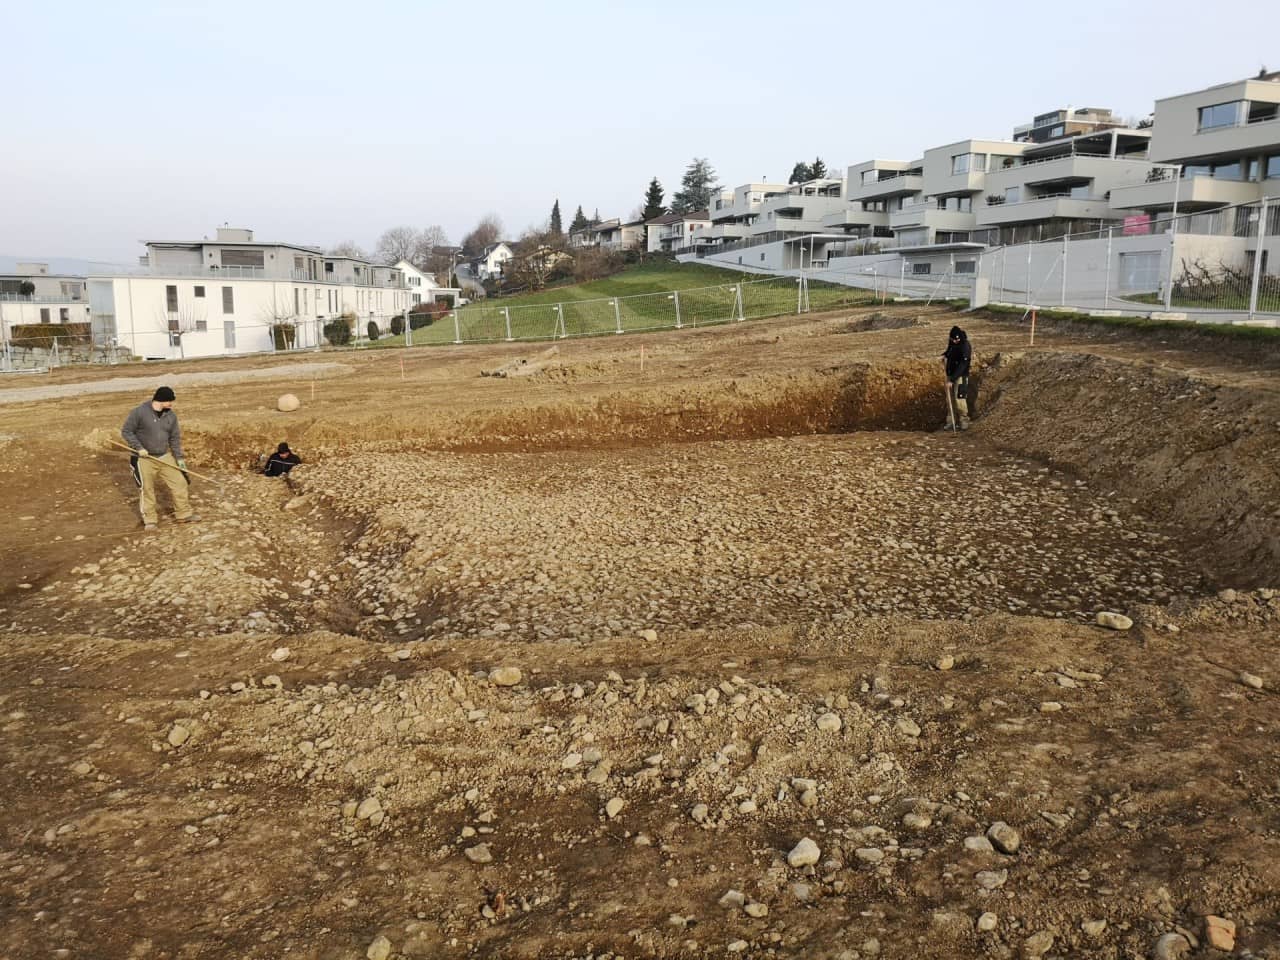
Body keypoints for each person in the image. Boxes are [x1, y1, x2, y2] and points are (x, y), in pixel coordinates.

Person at [122, 386, 199, 531]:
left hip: (164, 456)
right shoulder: (139, 412)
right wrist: (139, 448)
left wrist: (179, 460)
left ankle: (183, 514)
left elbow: (174, 439)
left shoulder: (171, 416)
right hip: (143, 458)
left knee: (180, 483)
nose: (171, 404)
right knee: (147, 489)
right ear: (161, 399)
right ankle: (150, 520)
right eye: (169, 401)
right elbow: (126, 431)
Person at [942, 325, 973, 431]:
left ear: (960, 337)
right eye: (953, 340)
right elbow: (950, 350)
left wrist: (952, 379)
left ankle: (964, 421)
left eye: (957, 340)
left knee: (959, 398)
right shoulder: (952, 342)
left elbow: (963, 365)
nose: (955, 341)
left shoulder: (965, 346)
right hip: (950, 374)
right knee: (949, 399)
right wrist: (945, 355)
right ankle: (951, 422)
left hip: (960, 375)